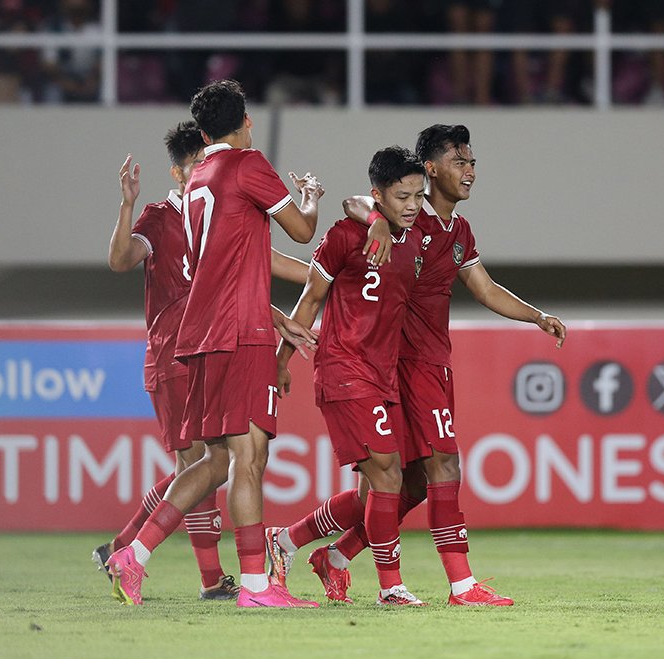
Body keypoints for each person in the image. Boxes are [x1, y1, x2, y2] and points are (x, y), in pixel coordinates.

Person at [303, 124, 566, 605]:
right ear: (430, 169)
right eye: (459, 162)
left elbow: (483, 288)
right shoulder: (407, 216)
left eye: (472, 162)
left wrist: (537, 316)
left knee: (405, 484)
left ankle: (325, 553)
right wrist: (378, 221)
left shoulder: (458, 231)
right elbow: (356, 203)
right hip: (399, 362)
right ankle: (461, 585)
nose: (470, 171)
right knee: (441, 465)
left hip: (428, 360)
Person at [105, 79, 323, 608]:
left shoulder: (198, 176)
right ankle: (254, 585)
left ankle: (133, 554)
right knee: (249, 458)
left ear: (202, 133)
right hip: (238, 334)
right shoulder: (247, 166)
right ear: (246, 122)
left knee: (215, 460)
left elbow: (228, 263)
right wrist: (311, 200)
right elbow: (300, 232)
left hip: (199, 337)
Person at [271, 146, 428, 606]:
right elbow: (310, 299)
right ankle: (390, 587)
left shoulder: (415, 236)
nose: (413, 205)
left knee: (377, 493)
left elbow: (363, 203)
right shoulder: (344, 236)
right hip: (344, 367)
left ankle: (290, 542)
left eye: (418, 195)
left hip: (386, 375)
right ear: (379, 194)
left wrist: (380, 217)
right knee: (388, 476)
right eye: (402, 197)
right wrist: (282, 360)